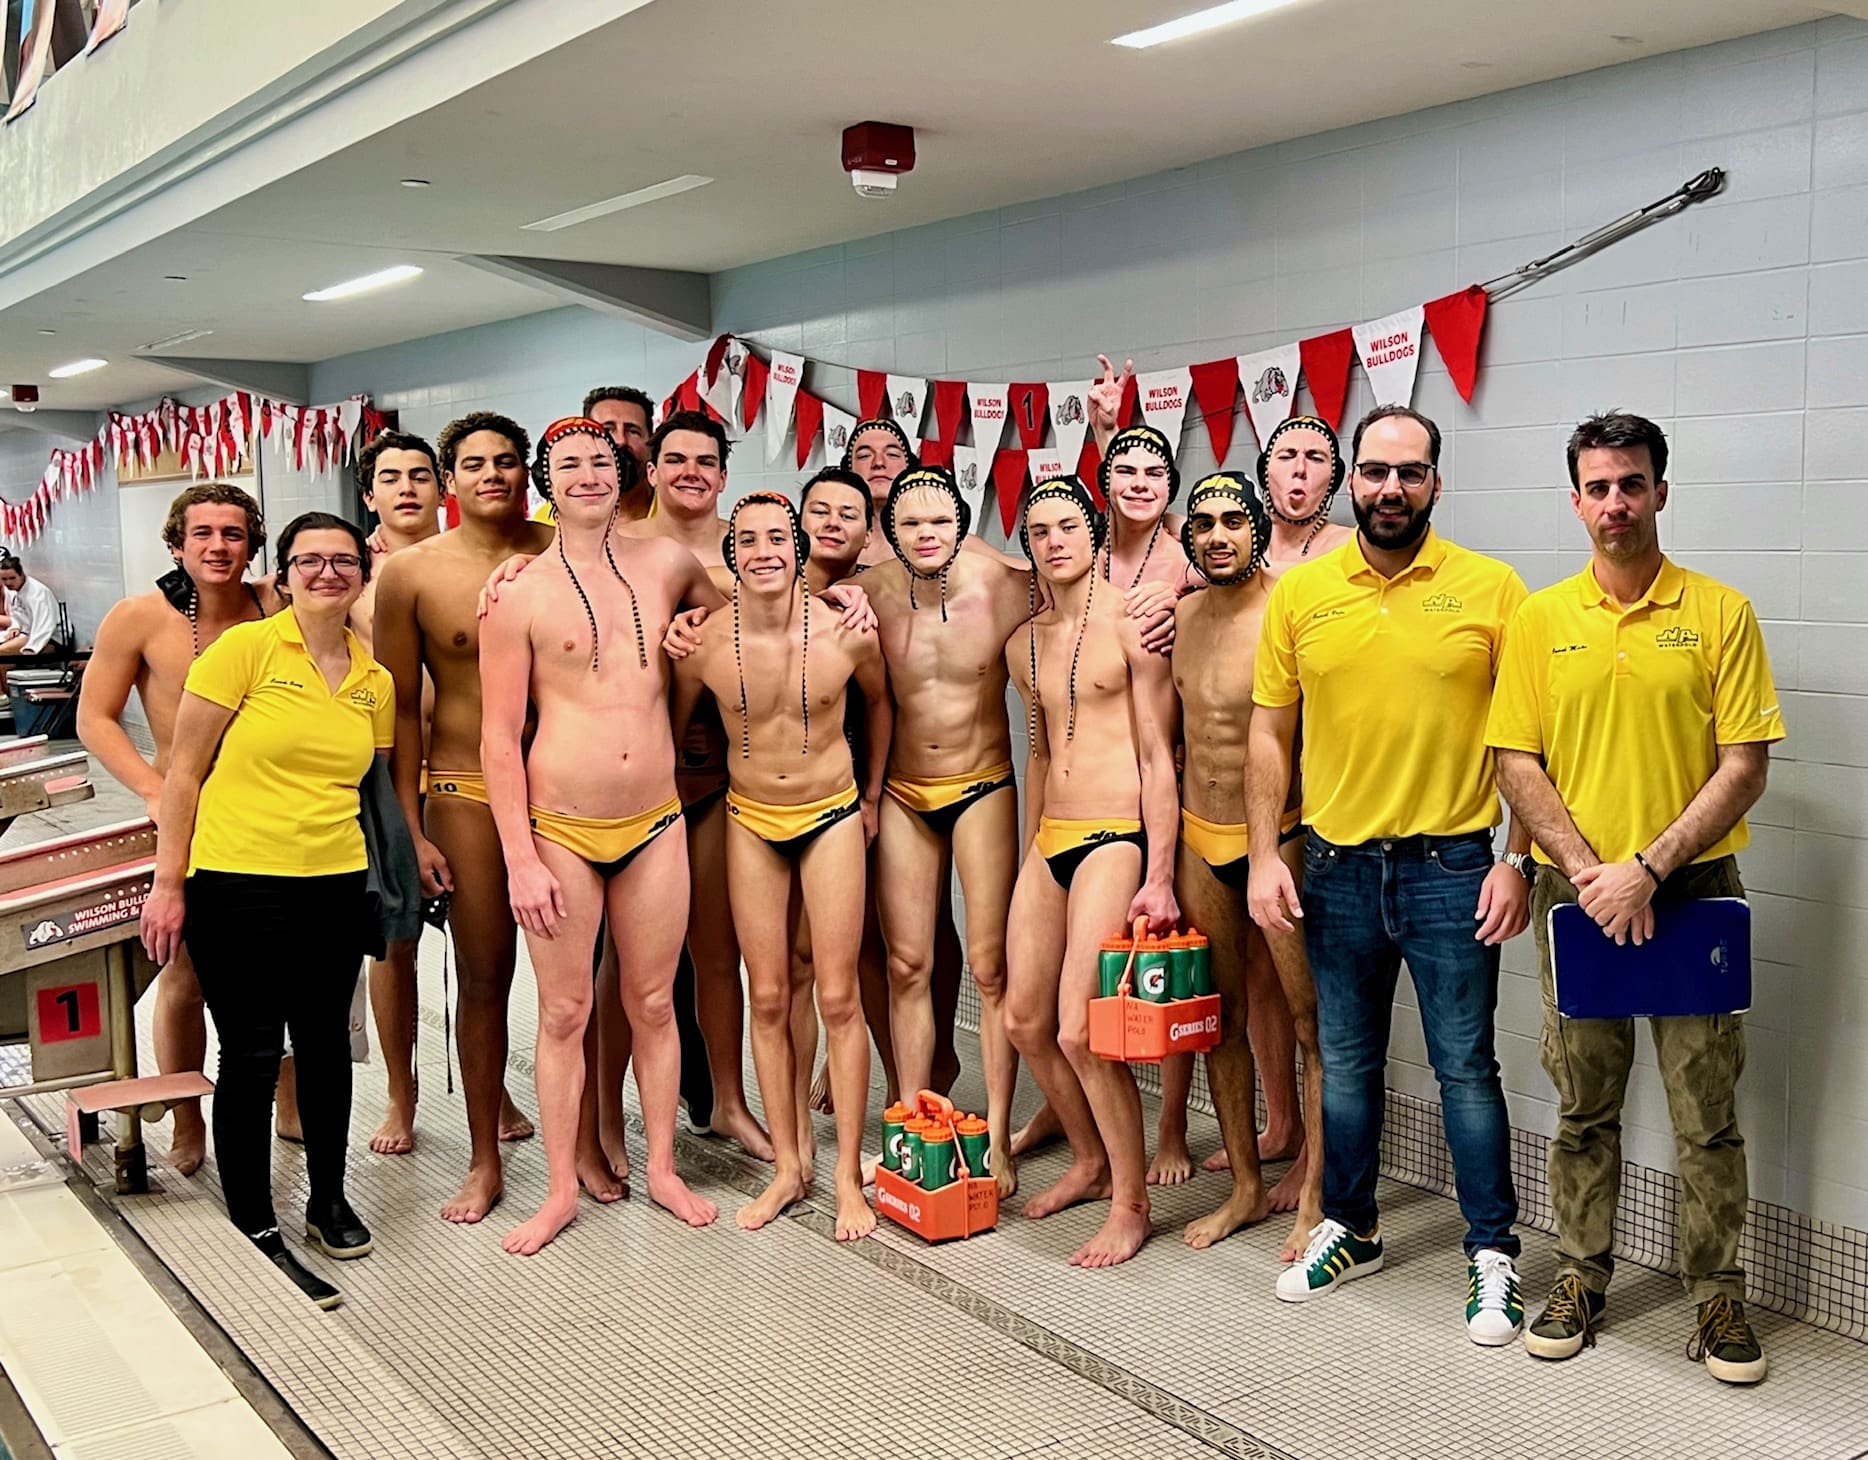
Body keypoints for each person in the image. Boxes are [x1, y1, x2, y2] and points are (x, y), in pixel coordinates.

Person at [1489, 411, 1782, 1384]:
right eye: (1596, 486)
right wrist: (1587, 872)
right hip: (1574, 895)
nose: (1613, 502)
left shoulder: (1721, 611)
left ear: (1659, 489)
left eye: (1630, 482)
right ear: (1573, 500)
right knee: (1583, 1102)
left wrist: (1646, 870)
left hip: (1690, 890)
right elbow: (1513, 759)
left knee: (1706, 1106)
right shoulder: (1538, 619)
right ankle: (1578, 1274)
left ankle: (1716, 1294)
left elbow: (1743, 764)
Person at [1248, 404, 1533, 1346]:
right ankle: (1352, 1225)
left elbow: (1529, 740)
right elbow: (1269, 734)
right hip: (1333, 868)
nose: (1391, 489)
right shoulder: (1301, 593)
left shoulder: (1495, 592)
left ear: (1436, 484)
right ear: (1351, 482)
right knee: (1349, 1064)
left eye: (1410, 473)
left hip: (1454, 867)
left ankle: (1492, 1255)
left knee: (1465, 1069)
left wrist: (1516, 860)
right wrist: (1262, 854)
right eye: (1374, 472)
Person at [481, 417, 725, 1254]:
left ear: (626, 473)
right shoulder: (515, 593)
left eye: (600, 461)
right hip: (560, 829)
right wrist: (518, 858)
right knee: (565, 1011)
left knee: (654, 1003)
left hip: (656, 820)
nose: (586, 475)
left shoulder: (667, 562)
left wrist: (704, 629)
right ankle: (554, 1191)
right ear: (545, 482)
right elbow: (497, 737)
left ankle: (661, 1167)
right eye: (568, 465)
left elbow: (753, 609)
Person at [139, 512, 392, 1312]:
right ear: (281, 574)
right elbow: (184, 773)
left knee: (324, 1048)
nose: (327, 573)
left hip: (335, 882)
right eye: (308, 561)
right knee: (251, 1052)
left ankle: (327, 1199)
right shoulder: (243, 651)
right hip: (236, 878)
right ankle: (251, 1215)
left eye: (343, 560)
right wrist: (169, 882)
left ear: (361, 573)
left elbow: (370, 789)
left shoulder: (371, 677)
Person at [670, 492, 891, 1241]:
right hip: (748, 819)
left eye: (777, 538)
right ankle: (790, 1166)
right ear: (732, 554)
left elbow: (881, 708)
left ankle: (845, 1171)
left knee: (836, 998)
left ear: (799, 549)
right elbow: (674, 731)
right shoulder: (701, 644)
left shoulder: (847, 631)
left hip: (830, 814)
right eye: (748, 540)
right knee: (766, 997)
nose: (764, 551)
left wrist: (869, 797)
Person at [372, 412, 551, 1224]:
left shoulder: (565, 552)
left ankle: (586, 1144)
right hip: (464, 788)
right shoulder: (412, 573)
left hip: (564, 789)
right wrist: (410, 830)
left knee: (586, 984)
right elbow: (399, 714)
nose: (492, 475)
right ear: (451, 480)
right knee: (485, 977)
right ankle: (484, 1160)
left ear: (527, 473)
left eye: (507, 461)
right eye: (474, 463)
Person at [78, 483, 282, 1176]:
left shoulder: (280, 604)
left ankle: (287, 1103)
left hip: (276, 812)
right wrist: (151, 789)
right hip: (185, 816)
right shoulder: (140, 617)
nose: (219, 546)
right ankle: (188, 1118)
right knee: (185, 973)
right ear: (177, 545)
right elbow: (95, 718)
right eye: (203, 534)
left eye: (233, 533)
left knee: (277, 971)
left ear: (252, 541)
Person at [1004, 476, 1180, 1269]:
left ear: (1094, 530)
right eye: (1039, 531)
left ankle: (1131, 1202)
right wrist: (1028, 854)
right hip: (1053, 836)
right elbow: (1040, 753)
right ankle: (1087, 1155)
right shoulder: (1023, 641)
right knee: (1021, 1021)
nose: (1055, 541)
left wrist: (1162, 872)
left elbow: (1156, 756)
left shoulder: (1137, 626)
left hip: (1116, 835)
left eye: (1068, 526)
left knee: (1082, 1029)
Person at [859, 465, 1037, 1195]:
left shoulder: (1004, 582)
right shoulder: (867, 594)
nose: (927, 535)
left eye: (940, 522)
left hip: (983, 783)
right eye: (911, 524)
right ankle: (908, 1116)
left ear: (962, 524)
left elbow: (1100, 557)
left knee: (992, 966)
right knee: (907, 966)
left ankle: (994, 1130)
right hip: (903, 791)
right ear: (890, 530)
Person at [1170, 472, 1324, 1259]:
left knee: (1310, 1020)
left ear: (1259, 528)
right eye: (1203, 524)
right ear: (1188, 536)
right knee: (1217, 1022)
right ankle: (1244, 1189)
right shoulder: (1183, 616)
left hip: (1285, 834)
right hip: (1201, 838)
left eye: (1234, 520)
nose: (1219, 534)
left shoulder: (1289, 608)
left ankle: (1317, 1187)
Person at [348, 431, 443, 1156]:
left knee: (485, 951)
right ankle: (400, 1096)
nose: (407, 488)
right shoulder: (349, 581)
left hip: (475, 772)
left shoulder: (485, 560)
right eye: (391, 477)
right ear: (369, 495)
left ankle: (492, 1083)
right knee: (395, 947)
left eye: (420, 475)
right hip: (388, 779)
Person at [532, 386, 657, 526]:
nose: (620, 441)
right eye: (608, 429)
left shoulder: (678, 510)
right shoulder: (548, 521)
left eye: (633, 431)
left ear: (651, 443)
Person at [1258, 415, 1354, 576]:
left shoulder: (1353, 547)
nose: (1300, 469)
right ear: (1264, 473)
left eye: (1316, 459)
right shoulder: (1236, 546)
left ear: (1334, 479)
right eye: (1286, 457)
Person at [0, 553, 61, 656]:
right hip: (25, 634)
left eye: (12, 578)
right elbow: (18, 616)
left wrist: (32, 648)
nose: (8, 583)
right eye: (4, 579)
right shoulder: (15, 591)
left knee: (2, 652)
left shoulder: (38, 593)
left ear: (21, 574)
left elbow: (45, 625)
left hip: (50, 639)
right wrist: (15, 627)